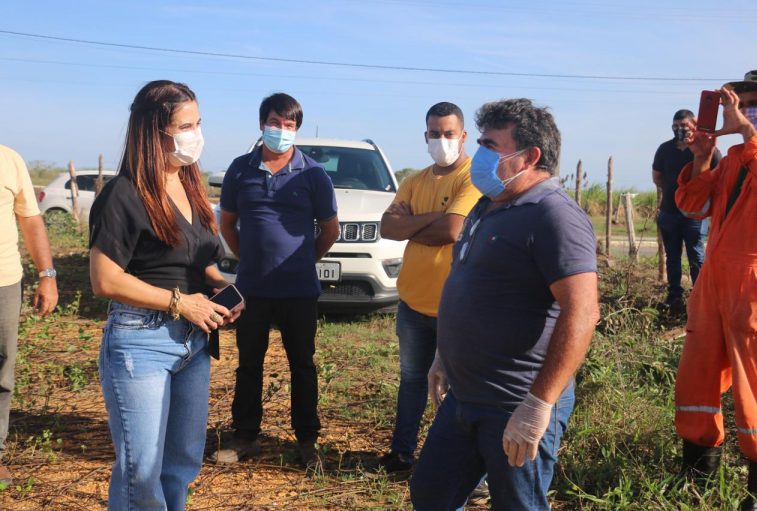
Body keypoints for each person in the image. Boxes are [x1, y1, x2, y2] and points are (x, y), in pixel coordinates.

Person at [409, 98, 599, 510]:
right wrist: (443, 355)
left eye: (491, 146)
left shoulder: (554, 216)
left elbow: (583, 312)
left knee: (517, 504)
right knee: (431, 495)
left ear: (530, 157)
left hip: (515, 401)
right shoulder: (487, 204)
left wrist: (538, 403)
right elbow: (467, 284)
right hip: (465, 395)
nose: (479, 155)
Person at [89, 80, 237, 510]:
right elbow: (105, 280)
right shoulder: (123, 193)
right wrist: (180, 302)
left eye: (198, 123)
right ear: (154, 131)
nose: (196, 135)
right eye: (185, 126)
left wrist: (220, 287)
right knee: (142, 471)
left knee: (181, 464)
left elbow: (197, 262)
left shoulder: (191, 185)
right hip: (141, 341)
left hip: (194, 342)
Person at [213, 93, 340, 469]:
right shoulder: (240, 169)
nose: (281, 130)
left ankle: (307, 441)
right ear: (261, 124)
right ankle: (245, 436)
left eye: (289, 125)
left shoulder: (313, 174)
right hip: (251, 290)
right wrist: (249, 260)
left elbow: (330, 230)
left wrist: (302, 261)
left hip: (298, 290)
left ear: (296, 129)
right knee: (248, 364)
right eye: (274, 123)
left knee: (303, 365)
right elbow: (227, 224)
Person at [368, 102, 481, 478]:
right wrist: (437, 219)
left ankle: (456, 466)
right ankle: (401, 454)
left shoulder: (472, 178)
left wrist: (413, 224)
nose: (442, 140)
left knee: (458, 388)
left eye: (449, 134)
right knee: (412, 382)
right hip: (413, 304)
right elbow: (387, 227)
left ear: (463, 136)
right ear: (425, 136)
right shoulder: (415, 181)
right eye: (435, 133)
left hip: (456, 309)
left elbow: (452, 231)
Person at [674, 70, 757, 510]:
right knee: (698, 376)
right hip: (714, 286)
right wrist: (702, 158)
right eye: (741, 104)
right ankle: (697, 475)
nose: (745, 111)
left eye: (755, 103)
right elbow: (693, 206)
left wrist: (748, 132)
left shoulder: (754, 153)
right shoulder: (733, 159)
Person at [0, 145, 59, 485]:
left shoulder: (9, 160)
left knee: (1, 371)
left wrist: (47, 275)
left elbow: (31, 219)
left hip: (4, 281)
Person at [652, 109, 721, 313]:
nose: (679, 129)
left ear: (694, 125)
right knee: (672, 256)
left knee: (696, 255)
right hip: (669, 212)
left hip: (695, 215)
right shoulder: (664, 149)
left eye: (684, 125)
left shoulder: (707, 149)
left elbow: (719, 176)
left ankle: (700, 296)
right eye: (676, 125)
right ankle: (674, 296)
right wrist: (675, 194)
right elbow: (657, 177)